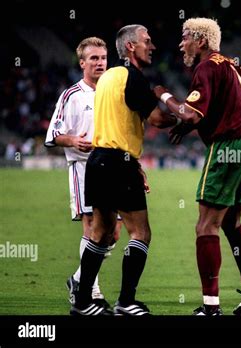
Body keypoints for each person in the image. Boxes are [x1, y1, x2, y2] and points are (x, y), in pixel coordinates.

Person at [155, 18, 241, 316]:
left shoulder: (207, 67)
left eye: (185, 38)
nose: (181, 44)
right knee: (232, 223)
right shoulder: (234, 66)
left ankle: (211, 306)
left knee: (206, 225)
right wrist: (190, 128)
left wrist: (162, 95)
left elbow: (190, 115)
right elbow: (222, 109)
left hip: (229, 149)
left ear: (201, 41)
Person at [70, 25, 178, 316]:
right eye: (147, 41)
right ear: (130, 47)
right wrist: (180, 112)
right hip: (118, 163)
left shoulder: (108, 77)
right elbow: (157, 120)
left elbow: (119, 121)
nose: (152, 46)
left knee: (101, 234)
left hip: (99, 161)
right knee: (140, 233)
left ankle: (81, 303)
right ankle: (126, 301)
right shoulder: (133, 77)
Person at [45, 37, 122, 308]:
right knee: (92, 229)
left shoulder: (114, 92)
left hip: (115, 167)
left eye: (103, 58)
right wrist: (73, 140)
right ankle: (92, 291)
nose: (100, 63)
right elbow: (53, 135)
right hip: (84, 168)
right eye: (94, 58)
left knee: (113, 233)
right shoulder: (71, 95)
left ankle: (79, 278)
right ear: (82, 63)